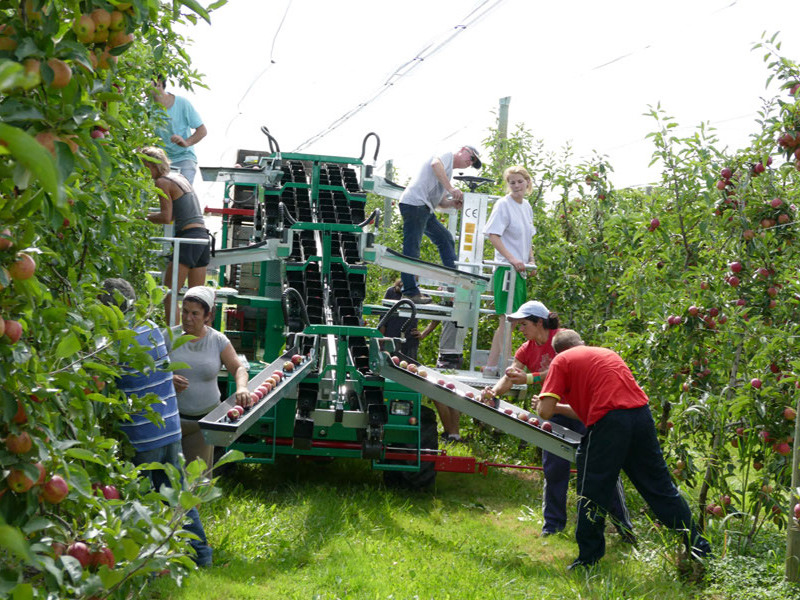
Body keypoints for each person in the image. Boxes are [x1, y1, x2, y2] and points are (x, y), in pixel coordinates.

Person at [535, 329, 712, 569]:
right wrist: (560, 407)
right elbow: (592, 409)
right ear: (582, 343)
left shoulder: (562, 360)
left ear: (559, 352)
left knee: (592, 490)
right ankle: (699, 548)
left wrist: (544, 403)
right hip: (641, 415)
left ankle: (588, 559)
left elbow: (545, 411)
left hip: (610, 422)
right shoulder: (606, 354)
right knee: (660, 487)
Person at [481, 301, 633, 538]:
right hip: (553, 414)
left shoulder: (562, 339)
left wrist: (530, 379)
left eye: (524, 324)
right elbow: (511, 376)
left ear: (539, 322)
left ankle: (623, 528)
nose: (521, 329)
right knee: (554, 469)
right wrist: (494, 392)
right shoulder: (526, 348)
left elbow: (558, 367)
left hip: (579, 409)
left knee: (600, 468)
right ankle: (553, 527)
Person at [99, 278, 212, 567]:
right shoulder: (150, 329)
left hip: (142, 436)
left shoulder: (114, 341)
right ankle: (202, 557)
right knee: (177, 497)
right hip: (169, 430)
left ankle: (144, 566)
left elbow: (105, 387)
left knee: (140, 504)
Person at [165, 285, 251, 470]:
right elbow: (149, 371)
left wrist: (242, 388)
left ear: (207, 316)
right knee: (168, 474)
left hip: (202, 422)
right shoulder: (169, 337)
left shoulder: (217, 340)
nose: (188, 318)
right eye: (185, 311)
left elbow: (238, 368)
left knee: (196, 477)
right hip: (170, 420)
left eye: (195, 314)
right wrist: (167, 378)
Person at [398, 146, 482, 304]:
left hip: (424, 208)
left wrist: (452, 203)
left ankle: (454, 282)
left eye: (472, 163)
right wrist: (451, 188)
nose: (469, 163)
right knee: (412, 248)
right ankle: (410, 291)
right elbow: (435, 164)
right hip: (415, 204)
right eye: (471, 158)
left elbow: (441, 203)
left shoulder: (447, 173)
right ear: (463, 149)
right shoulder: (445, 155)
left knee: (446, 239)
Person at [140, 146, 210, 325]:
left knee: (168, 294)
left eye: (144, 166)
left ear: (151, 165)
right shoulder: (179, 177)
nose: (143, 171)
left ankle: (173, 339)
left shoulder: (162, 182)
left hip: (188, 238)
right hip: (202, 237)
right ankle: (199, 342)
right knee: (198, 300)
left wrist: (141, 217)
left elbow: (166, 217)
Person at [482, 166, 536, 377]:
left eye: (519, 181)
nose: (516, 186)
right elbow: (493, 234)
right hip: (506, 269)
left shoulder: (526, 206)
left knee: (512, 320)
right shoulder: (503, 204)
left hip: (520, 270)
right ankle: (498, 363)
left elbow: (529, 236)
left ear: (527, 182)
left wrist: (530, 259)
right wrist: (512, 259)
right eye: (512, 182)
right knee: (508, 318)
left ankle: (496, 363)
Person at [151, 76, 206, 184]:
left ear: (159, 83)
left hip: (183, 158)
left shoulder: (182, 103)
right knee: (161, 197)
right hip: (160, 161)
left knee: (181, 194)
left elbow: (202, 130)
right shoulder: (146, 108)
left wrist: (186, 142)